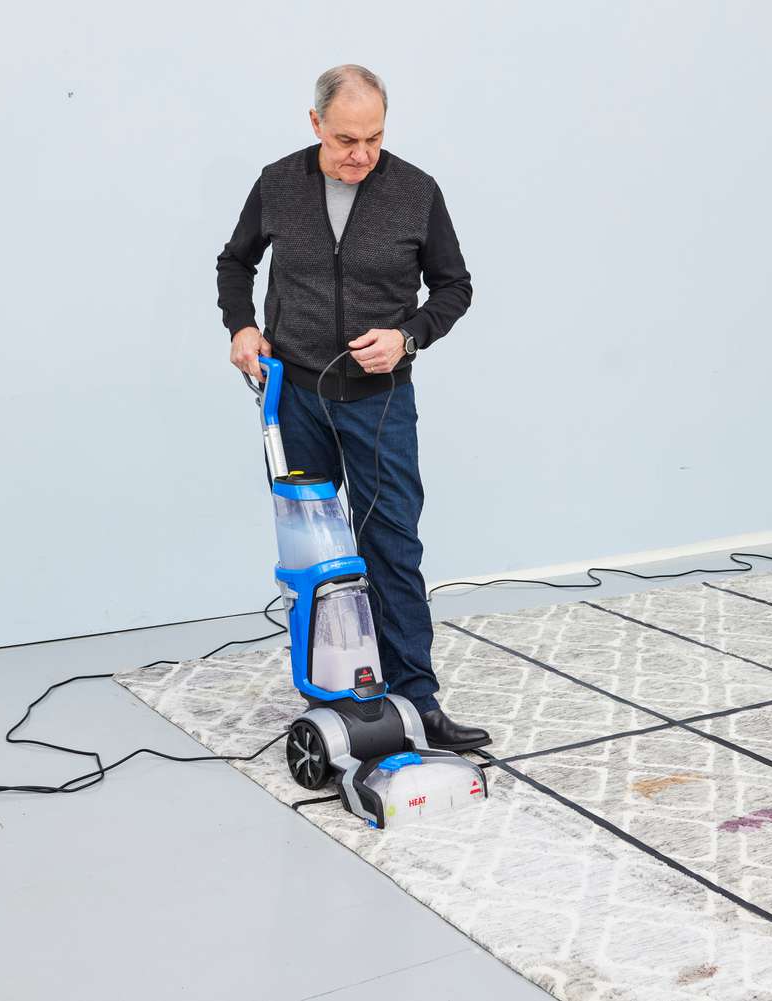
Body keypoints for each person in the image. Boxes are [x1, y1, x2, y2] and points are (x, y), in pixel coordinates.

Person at [215, 63, 489, 752]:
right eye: (344, 139)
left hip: (379, 403)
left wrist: (407, 337)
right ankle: (328, 698)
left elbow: (454, 287)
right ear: (314, 125)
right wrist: (239, 326)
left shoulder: (415, 192)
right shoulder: (278, 183)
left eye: (372, 138)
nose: (359, 154)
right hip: (295, 396)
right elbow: (234, 262)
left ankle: (418, 703)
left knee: (391, 547)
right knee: (313, 555)